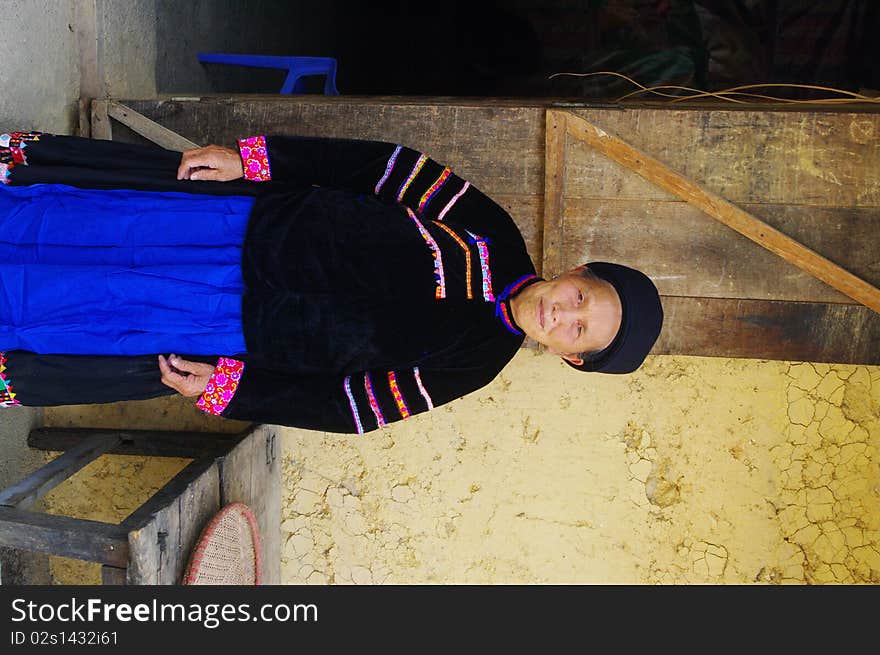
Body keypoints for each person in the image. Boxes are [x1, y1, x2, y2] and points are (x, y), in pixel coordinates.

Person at [0, 130, 663, 433]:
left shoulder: (474, 363)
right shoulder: (488, 228)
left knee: (85, 305)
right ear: (578, 270)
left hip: (234, 324)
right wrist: (252, 160)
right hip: (241, 226)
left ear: (569, 355)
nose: (563, 314)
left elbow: (352, 407)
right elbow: (380, 166)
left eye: (578, 330)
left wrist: (234, 390)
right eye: (582, 298)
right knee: (95, 226)